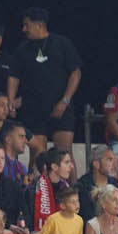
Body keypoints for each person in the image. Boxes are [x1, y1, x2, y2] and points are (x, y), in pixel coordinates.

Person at [14, 8, 81, 149]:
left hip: (61, 108)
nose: (23, 29)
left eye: (27, 25)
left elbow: (76, 73)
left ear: (39, 24)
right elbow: (14, 77)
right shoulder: (22, 49)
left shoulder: (62, 43)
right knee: (38, 152)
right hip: (33, 109)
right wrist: (11, 100)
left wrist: (65, 101)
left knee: (64, 153)